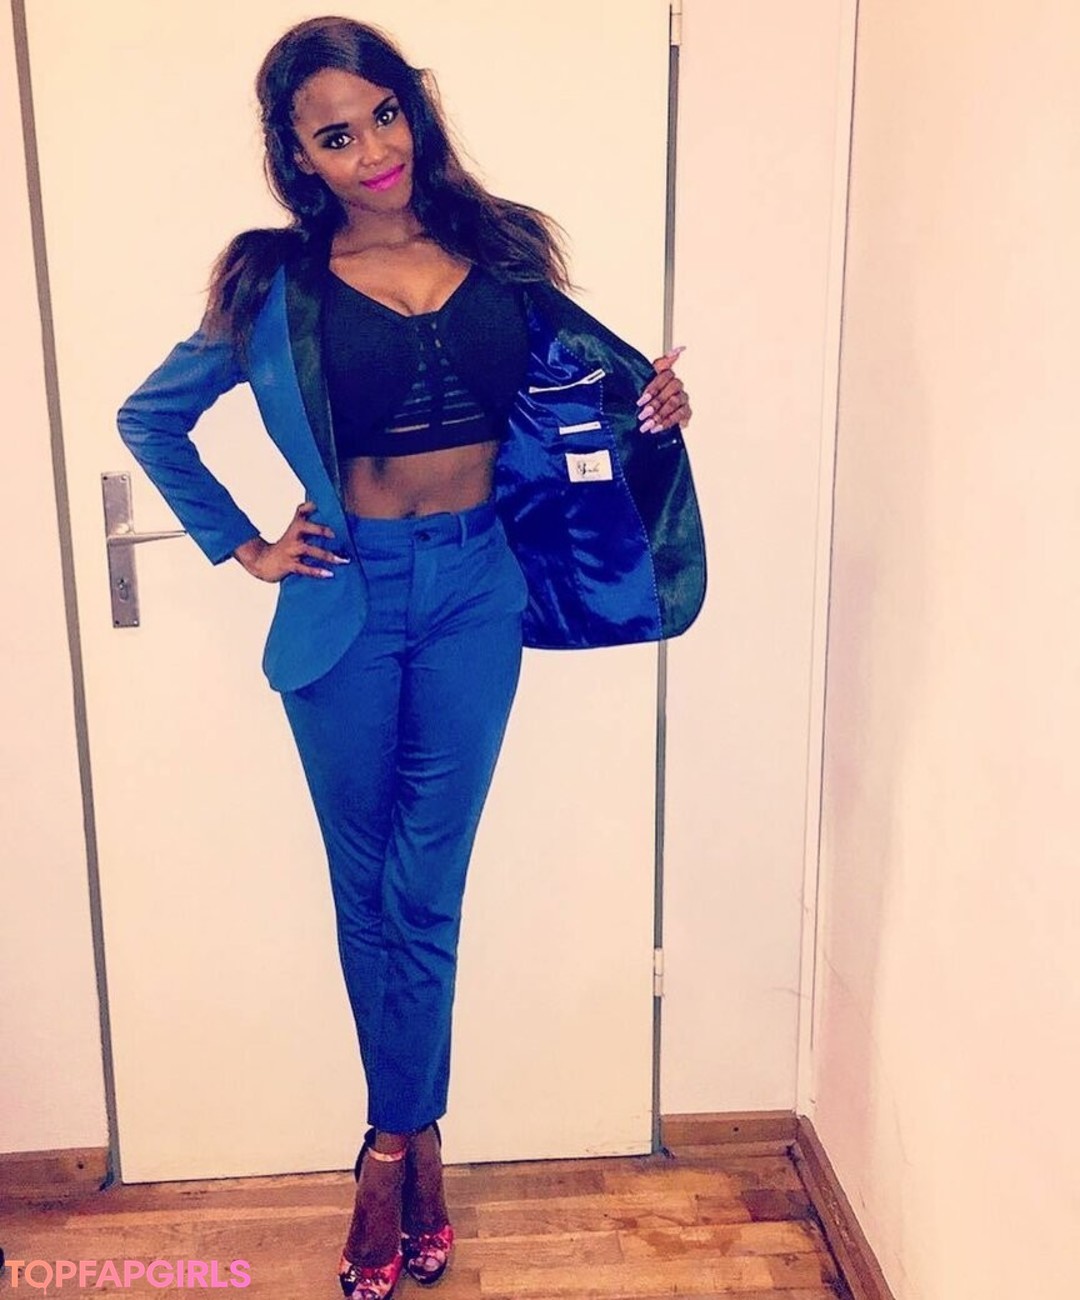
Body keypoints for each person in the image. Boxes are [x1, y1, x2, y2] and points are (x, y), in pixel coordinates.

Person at [117, 15, 704, 1300]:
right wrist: (244, 546)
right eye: (337, 134)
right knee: (366, 886)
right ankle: (411, 1140)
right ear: (299, 156)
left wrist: (653, 409)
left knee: (427, 886)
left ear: (414, 107)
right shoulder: (272, 285)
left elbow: (591, 390)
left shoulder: (504, 253)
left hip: (477, 593)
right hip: (347, 597)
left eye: (385, 113)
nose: (374, 149)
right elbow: (150, 417)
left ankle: (392, 1146)